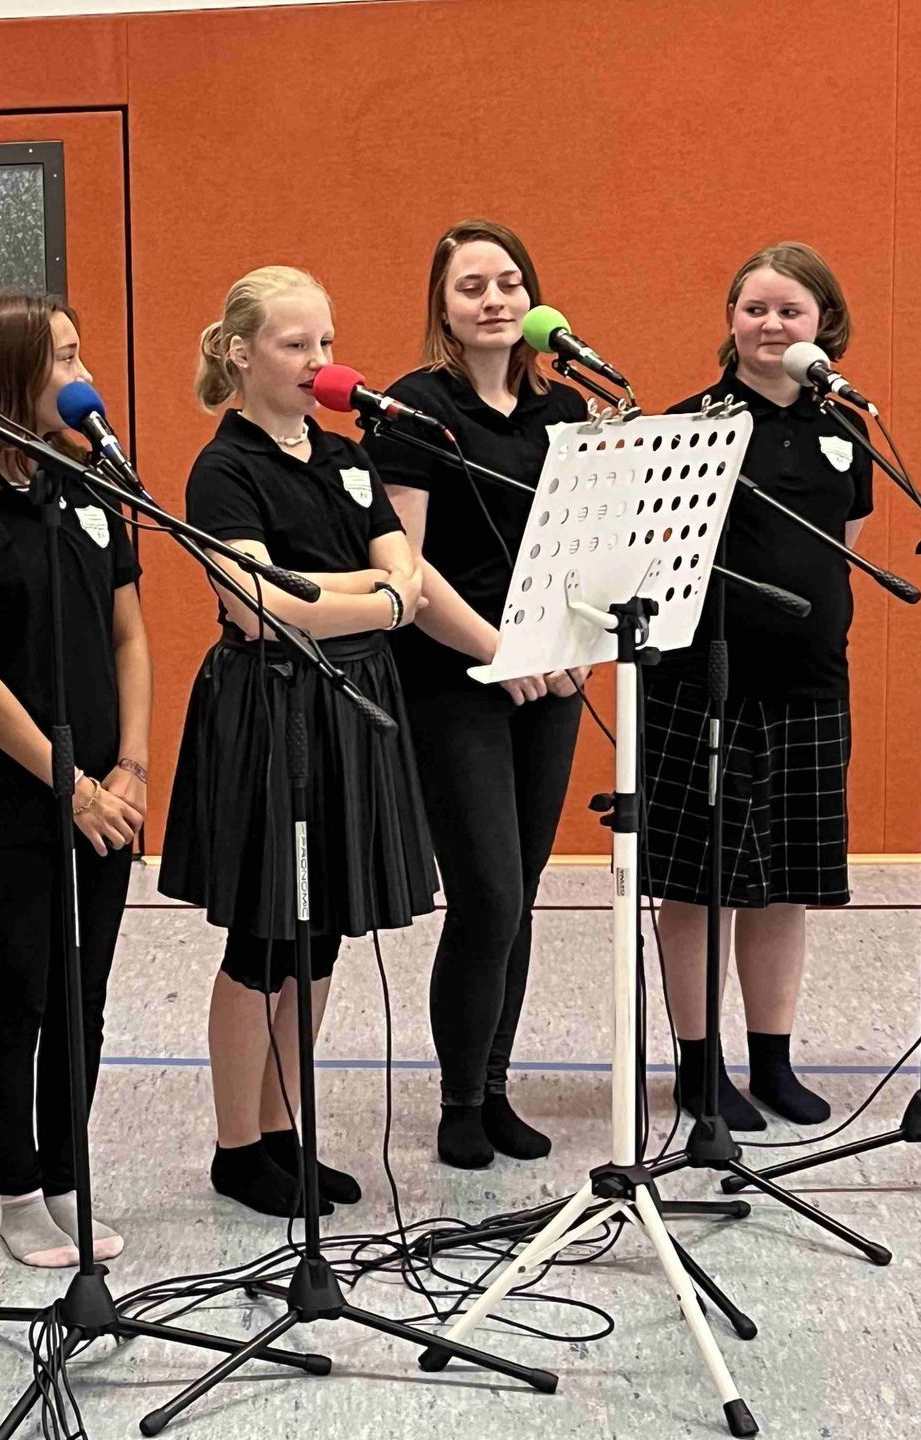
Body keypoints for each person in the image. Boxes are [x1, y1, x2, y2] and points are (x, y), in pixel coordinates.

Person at [160, 266, 435, 1218]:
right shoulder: (223, 470)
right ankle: (237, 1147)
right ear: (240, 354)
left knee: (320, 938)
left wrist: (348, 594)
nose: (321, 361)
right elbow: (258, 608)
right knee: (266, 934)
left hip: (350, 701)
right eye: (296, 344)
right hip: (272, 710)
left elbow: (408, 576)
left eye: (326, 341)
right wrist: (374, 598)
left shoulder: (347, 456)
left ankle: (285, 1130)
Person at [0, 290, 151, 1268]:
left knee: (84, 997)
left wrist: (131, 767)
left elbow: (131, 636)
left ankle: (66, 1176)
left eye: (80, 352)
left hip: (109, 797)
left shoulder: (89, 488)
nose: (82, 374)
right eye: (62, 358)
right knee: (23, 994)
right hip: (11, 804)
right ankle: (18, 1191)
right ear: (7, 376)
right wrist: (74, 788)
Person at [360, 220, 591, 1170]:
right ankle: (459, 1100)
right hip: (455, 675)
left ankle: (495, 1088)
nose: (494, 300)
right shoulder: (413, 408)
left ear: (533, 297)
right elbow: (406, 567)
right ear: (443, 307)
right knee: (487, 894)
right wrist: (500, 648)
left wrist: (576, 644)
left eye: (509, 283)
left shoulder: (565, 406)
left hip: (551, 677)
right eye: (471, 287)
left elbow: (584, 542)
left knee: (521, 894)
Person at [646, 242, 872, 1130]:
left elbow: (844, 548)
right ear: (731, 321)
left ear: (824, 324)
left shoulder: (846, 429)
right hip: (704, 687)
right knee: (699, 883)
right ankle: (699, 1068)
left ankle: (772, 1060)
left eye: (790, 310)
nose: (771, 325)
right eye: (755, 309)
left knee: (787, 881)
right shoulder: (690, 426)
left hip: (811, 687)